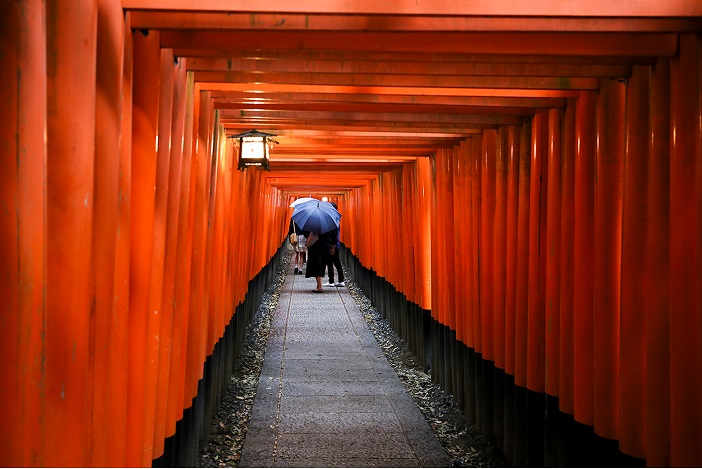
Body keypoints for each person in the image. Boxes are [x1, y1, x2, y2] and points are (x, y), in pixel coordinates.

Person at [305, 228, 337, 292]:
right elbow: (334, 235)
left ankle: (319, 286)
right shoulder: (328, 224)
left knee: (317, 265)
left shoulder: (313, 224)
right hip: (326, 245)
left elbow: (306, 234)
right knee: (323, 264)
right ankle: (319, 284)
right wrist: (333, 247)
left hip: (315, 246)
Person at [324, 202, 345, 287]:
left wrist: (332, 246)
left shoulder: (331, 220)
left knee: (330, 262)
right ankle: (341, 280)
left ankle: (331, 281)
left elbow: (333, 234)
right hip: (336, 244)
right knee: (337, 262)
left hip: (333, 244)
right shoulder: (336, 218)